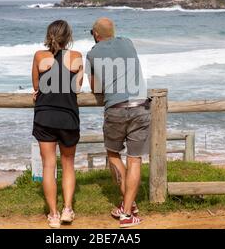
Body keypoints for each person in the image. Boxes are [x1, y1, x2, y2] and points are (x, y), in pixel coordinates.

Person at [86, 17, 150, 228]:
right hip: (140, 107)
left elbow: (96, 89)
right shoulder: (128, 42)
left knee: (113, 154)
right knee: (135, 159)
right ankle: (128, 206)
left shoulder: (92, 53)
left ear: (95, 34)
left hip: (115, 109)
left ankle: (127, 214)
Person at [32, 20, 83, 228]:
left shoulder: (39, 56)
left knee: (48, 166)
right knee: (68, 165)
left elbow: (36, 85)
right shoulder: (77, 56)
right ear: (68, 37)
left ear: (49, 35)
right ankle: (67, 210)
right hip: (68, 117)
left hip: (44, 116)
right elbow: (77, 88)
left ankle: (53, 214)